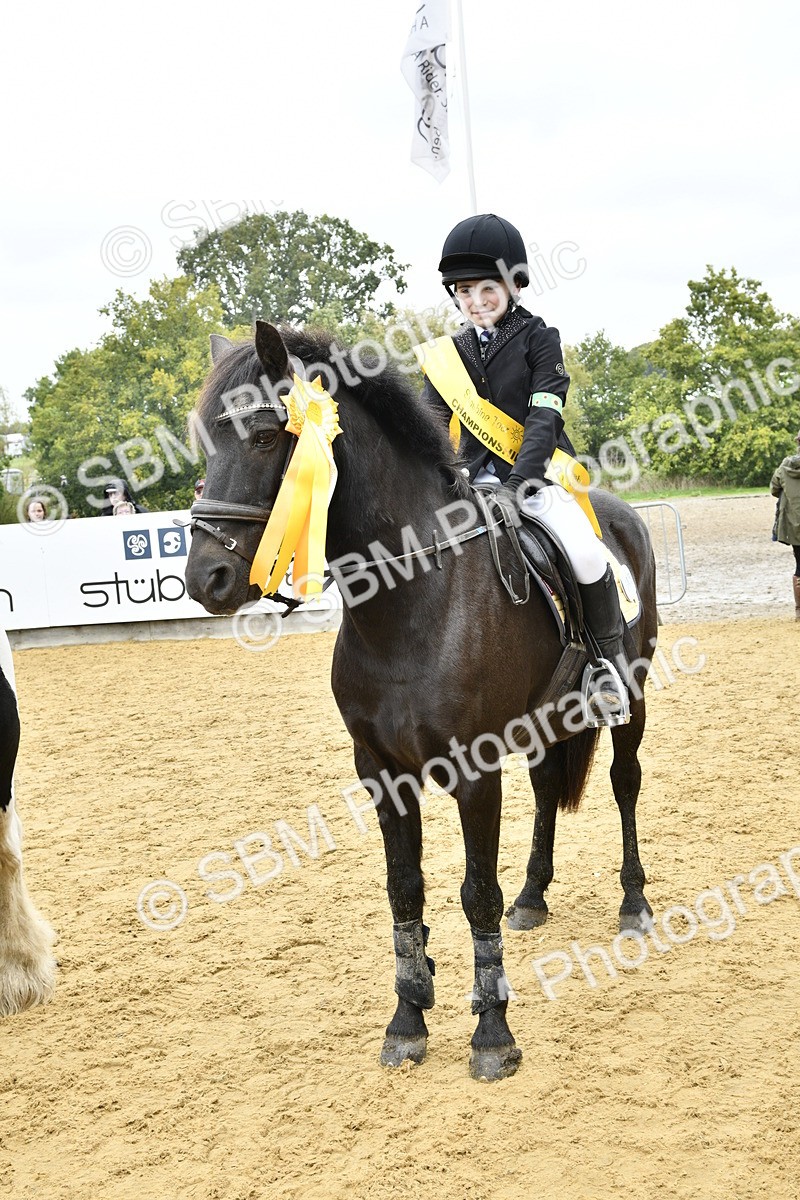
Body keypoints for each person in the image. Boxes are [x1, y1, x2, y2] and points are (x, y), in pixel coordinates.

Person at [421, 213, 629, 723]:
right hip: (469, 484)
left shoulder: (540, 339)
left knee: (584, 552)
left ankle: (606, 669)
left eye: (487, 288)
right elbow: (430, 428)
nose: (475, 301)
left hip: (540, 476)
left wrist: (519, 483)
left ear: (514, 285)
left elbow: (544, 417)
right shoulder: (446, 356)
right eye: (463, 291)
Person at [770, 429, 800, 621]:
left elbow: (774, 489)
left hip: (794, 524)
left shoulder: (785, 465)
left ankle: (799, 610)